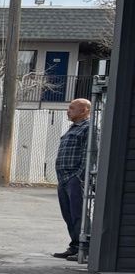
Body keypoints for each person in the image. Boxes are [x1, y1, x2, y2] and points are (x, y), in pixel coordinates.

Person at [53, 98, 92, 261]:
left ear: (84, 110)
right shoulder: (73, 128)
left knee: (78, 214)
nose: (68, 111)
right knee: (68, 214)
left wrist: (79, 176)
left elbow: (89, 154)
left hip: (74, 178)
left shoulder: (88, 128)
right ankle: (75, 246)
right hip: (63, 178)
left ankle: (86, 249)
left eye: (72, 108)